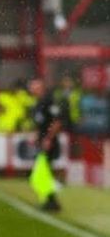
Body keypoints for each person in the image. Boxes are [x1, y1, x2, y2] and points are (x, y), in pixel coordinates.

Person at [28, 77, 70, 212]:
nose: (31, 88)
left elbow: (57, 121)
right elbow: (40, 123)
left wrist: (48, 138)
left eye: (34, 85)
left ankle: (52, 199)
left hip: (49, 142)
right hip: (43, 141)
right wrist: (36, 135)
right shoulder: (38, 103)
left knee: (42, 173)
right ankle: (51, 201)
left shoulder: (49, 101)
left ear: (40, 87)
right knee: (43, 173)